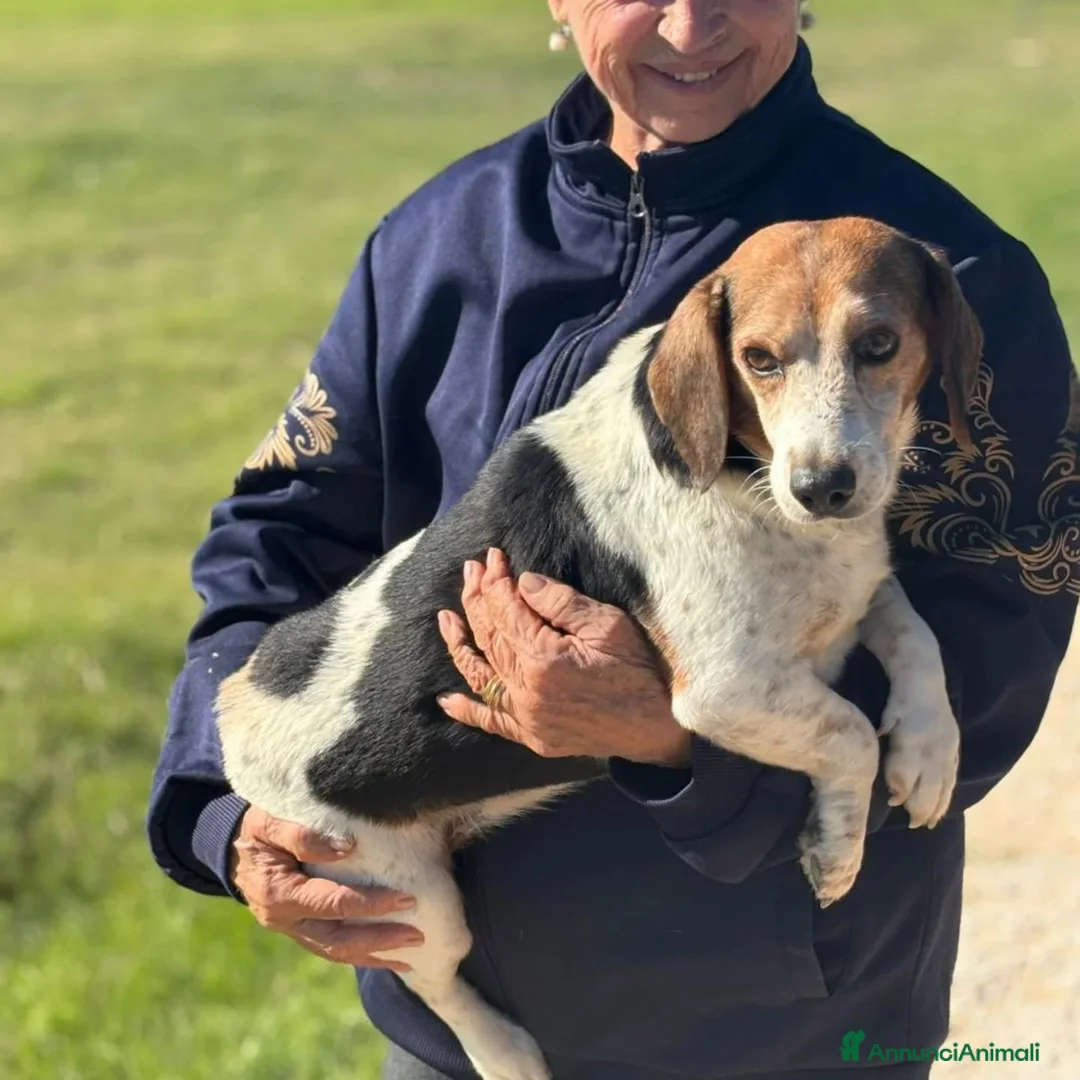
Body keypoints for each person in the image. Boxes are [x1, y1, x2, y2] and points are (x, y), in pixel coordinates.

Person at [148, 3, 1078, 1079]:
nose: (693, 22)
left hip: (796, 1030)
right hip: (467, 1042)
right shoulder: (437, 238)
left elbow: (990, 680)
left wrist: (671, 742)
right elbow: (280, 530)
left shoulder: (946, 278)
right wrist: (224, 814)